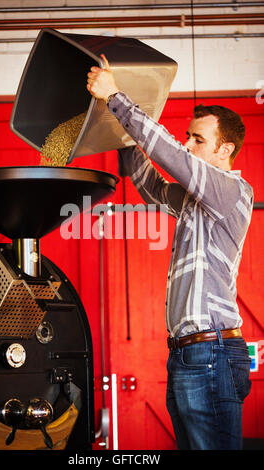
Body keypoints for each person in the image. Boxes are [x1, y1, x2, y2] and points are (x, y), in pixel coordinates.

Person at [87, 55, 253, 450]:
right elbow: (152, 186)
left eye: (198, 139)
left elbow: (171, 158)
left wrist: (117, 98)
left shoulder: (230, 191)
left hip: (211, 352)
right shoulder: (198, 200)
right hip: (187, 354)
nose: (187, 144)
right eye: (188, 136)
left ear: (224, 149)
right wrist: (124, 136)